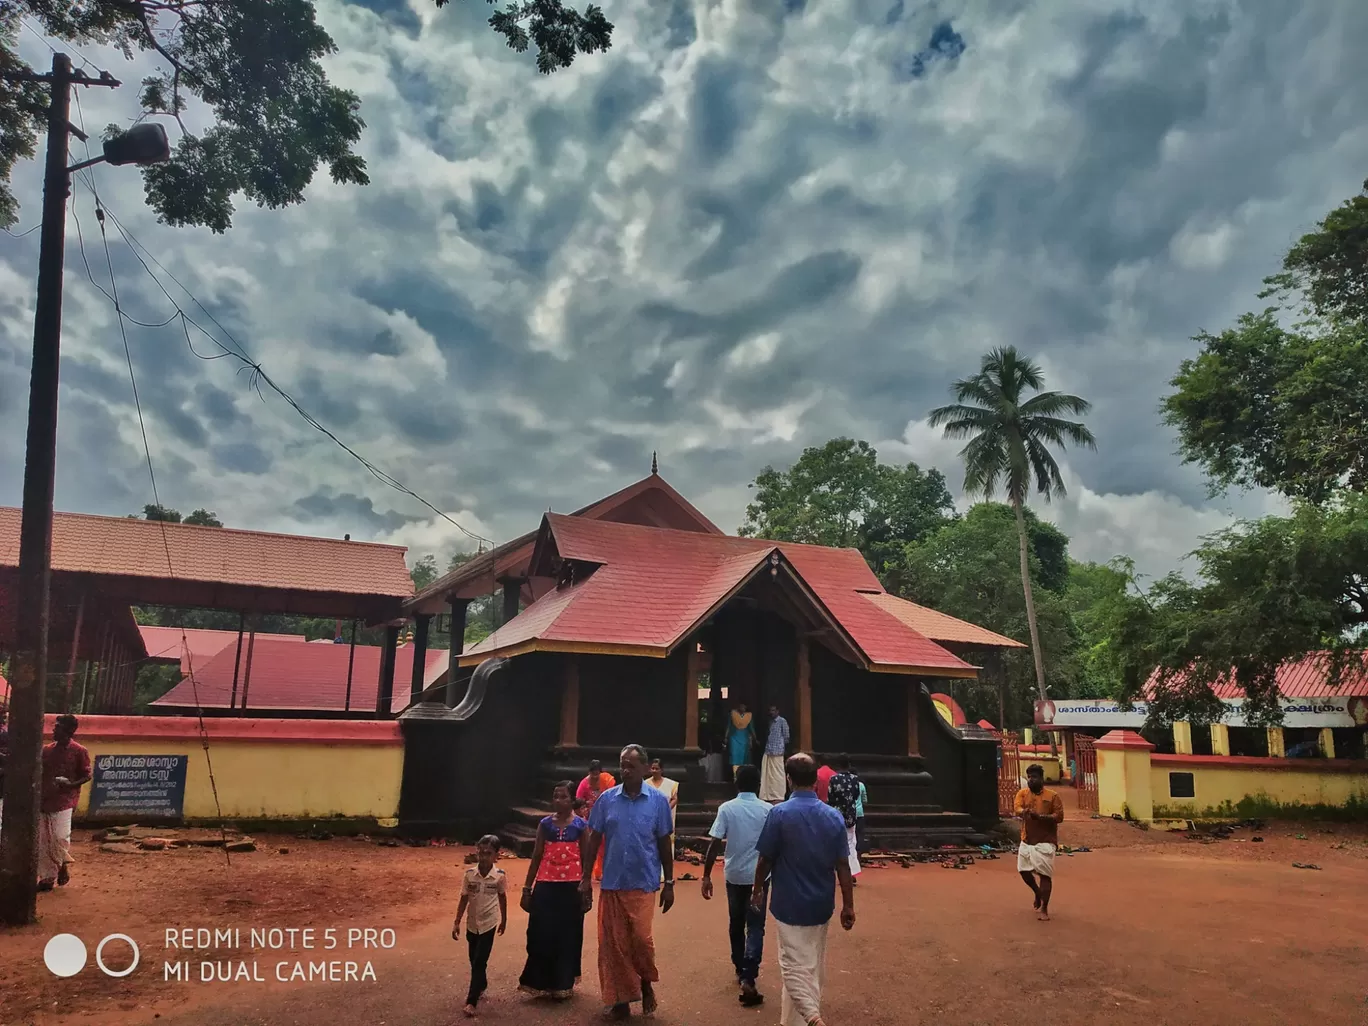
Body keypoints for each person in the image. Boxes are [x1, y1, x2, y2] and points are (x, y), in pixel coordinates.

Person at [753, 753, 855, 1026]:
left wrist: (757, 891)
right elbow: (843, 865)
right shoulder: (833, 817)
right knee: (812, 965)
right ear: (815, 781)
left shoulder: (779, 814)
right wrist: (848, 904)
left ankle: (811, 1018)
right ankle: (792, 1021)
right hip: (821, 903)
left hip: (788, 903)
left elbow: (765, 859)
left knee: (792, 966)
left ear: (788, 779)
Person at [581, 744, 675, 1020]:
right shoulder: (607, 800)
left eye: (632, 766)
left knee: (641, 941)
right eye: (622, 764)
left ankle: (645, 983)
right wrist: (585, 878)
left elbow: (663, 844)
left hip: (644, 882)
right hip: (612, 881)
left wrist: (669, 882)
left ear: (645, 769)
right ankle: (620, 1000)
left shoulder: (658, 802)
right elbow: (593, 838)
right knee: (614, 944)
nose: (625, 770)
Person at [702, 763, 772, 1008]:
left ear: (737, 784)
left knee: (736, 922)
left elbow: (714, 844)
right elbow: (774, 847)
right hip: (759, 877)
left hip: (733, 875)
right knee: (755, 925)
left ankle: (739, 964)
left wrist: (706, 875)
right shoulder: (767, 810)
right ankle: (749, 974)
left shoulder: (727, 808)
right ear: (759, 785)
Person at [519, 781, 588, 1000]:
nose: (558, 801)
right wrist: (527, 888)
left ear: (572, 800)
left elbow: (587, 858)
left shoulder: (581, 826)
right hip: (546, 885)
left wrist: (587, 890)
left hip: (572, 887)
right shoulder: (545, 825)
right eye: (555, 796)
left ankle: (562, 983)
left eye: (563, 797)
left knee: (568, 936)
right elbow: (537, 856)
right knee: (540, 933)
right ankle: (538, 982)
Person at [454, 835, 508, 1017]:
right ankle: (481, 984)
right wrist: (456, 922)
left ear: (496, 856)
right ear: (477, 852)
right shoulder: (469, 875)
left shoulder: (499, 877)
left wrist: (504, 920)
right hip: (472, 924)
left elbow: (502, 897)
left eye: (488, 853)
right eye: (481, 852)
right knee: (474, 959)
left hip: (489, 924)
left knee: (479, 961)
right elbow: (463, 898)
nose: (484, 857)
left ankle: (471, 1001)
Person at [38, 714, 91, 891]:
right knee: (44, 840)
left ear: (69, 731)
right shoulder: (46, 750)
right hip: (45, 799)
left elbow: (86, 775)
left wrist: (70, 785)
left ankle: (62, 865)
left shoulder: (79, 751)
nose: (54, 729)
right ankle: (47, 877)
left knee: (60, 836)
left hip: (65, 800)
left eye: (58, 726)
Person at [1014, 763, 1064, 922]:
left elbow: (1059, 817)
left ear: (1041, 778)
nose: (1031, 780)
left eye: (1034, 777)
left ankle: (1044, 908)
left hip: (1045, 841)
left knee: (1044, 875)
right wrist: (1025, 812)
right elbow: (1017, 809)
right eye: (1029, 777)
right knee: (1023, 871)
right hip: (1027, 838)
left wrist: (1041, 817)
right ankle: (1037, 892)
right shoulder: (1022, 794)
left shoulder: (1053, 796)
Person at [578, 759, 616, 882]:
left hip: (605, 816)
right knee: (590, 844)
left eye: (597, 773)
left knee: (605, 844)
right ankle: (586, 871)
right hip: (589, 817)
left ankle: (601, 871)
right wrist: (584, 816)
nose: (595, 776)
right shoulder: (584, 784)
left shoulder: (607, 781)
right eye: (592, 773)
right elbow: (578, 801)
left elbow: (612, 798)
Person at [825, 755, 862, 883]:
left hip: (836, 814)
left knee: (834, 843)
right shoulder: (854, 779)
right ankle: (851, 872)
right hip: (851, 814)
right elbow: (856, 795)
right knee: (850, 843)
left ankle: (831, 872)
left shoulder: (834, 779)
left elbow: (830, 797)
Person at [644, 757, 679, 877]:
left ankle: (665, 873)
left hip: (665, 817)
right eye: (652, 768)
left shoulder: (671, 784)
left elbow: (674, 798)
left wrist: (666, 809)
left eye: (656, 768)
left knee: (666, 842)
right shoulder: (645, 784)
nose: (654, 771)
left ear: (662, 770)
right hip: (650, 816)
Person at [759, 705, 791, 803]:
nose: (772, 712)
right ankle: (767, 794)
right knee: (767, 774)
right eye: (770, 710)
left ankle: (779, 794)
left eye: (773, 710)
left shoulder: (782, 721)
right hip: (768, 750)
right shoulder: (770, 722)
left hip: (777, 752)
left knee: (778, 774)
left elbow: (786, 737)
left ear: (778, 711)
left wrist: (780, 747)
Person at [725, 702, 757, 779]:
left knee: (744, 758)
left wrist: (755, 739)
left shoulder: (749, 716)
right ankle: (736, 777)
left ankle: (743, 777)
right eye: (741, 706)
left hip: (745, 738)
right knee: (735, 757)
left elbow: (751, 728)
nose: (742, 708)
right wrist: (725, 737)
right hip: (734, 737)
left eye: (744, 706)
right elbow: (728, 726)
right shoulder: (733, 714)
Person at [854, 777, 868, 856]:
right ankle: (859, 853)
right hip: (859, 813)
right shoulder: (861, 785)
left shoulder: (847, 785)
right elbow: (865, 800)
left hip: (850, 813)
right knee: (859, 834)